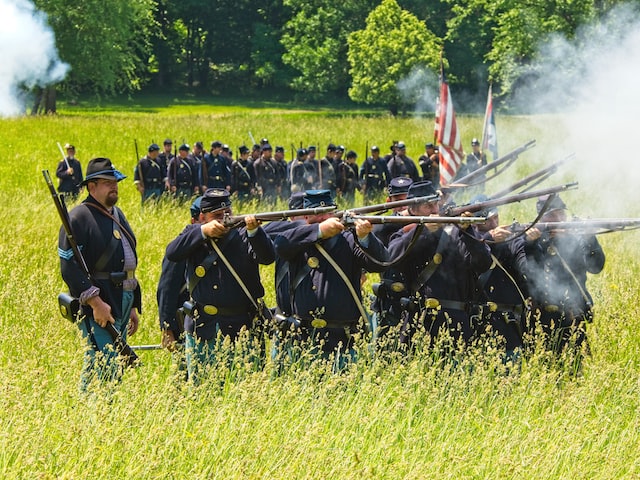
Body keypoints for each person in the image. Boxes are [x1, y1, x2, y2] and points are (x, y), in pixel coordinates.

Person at [165, 188, 275, 382]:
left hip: (243, 326)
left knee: (249, 389)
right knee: (202, 389)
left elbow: (267, 257)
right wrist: (202, 232)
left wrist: (255, 232)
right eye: (217, 216)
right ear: (203, 217)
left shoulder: (244, 233)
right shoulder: (194, 234)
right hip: (204, 326)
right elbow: (172, 252)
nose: (224, 219)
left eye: (227, 214)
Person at [273, 190, 389, 368]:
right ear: (305, 216)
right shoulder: (298, 240)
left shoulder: (349, 239)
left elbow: (381, 263)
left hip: (343, 336)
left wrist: (366, 236)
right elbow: (281, 245)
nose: (323, 218)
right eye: (316, 214)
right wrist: (319, 231)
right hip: (305, 336)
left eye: (327, 213)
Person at [58, 157, 141, 391]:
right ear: (91, 187)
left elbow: (127, 264)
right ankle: (91, 415)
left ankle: (109, 413)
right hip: (100, 302)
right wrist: (95, 303)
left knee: (115, 365)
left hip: (122, 298)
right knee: (101, 362)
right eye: (107, 182)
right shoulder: (78, 217)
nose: (114, 186)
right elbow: (69, 266)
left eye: (115, 181)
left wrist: (133, 304)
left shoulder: (118, 213)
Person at [388, 180, 492, 349]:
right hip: (420, 322)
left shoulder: (457, 232)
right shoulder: (408, 233)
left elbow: (482, 263)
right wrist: (422, 231)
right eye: (428, 206)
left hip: (457, 325)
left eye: (435, 204)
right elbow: (392, 258)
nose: (434, 210)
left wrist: (468, 230)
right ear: (413, 210)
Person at [524, 195, 605, 356]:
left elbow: (596, 267)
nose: (559, 219)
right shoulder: (534, 240)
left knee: (574, 370)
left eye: (561, 214)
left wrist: (590, 238)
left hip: (572, 314)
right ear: (541, 218)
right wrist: (531, 242)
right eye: (552, 216)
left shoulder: (576, 239)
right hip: (539, 316)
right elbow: (527, 269)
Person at [472, 195, 530, 360]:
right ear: (476, 222)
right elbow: (474, 260)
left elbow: (525, 267)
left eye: (495, 217)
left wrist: (532, 244)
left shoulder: (512, 240)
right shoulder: (470, 241)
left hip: (509, 323)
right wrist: (488, 239)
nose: (494, 223)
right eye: (487, 220)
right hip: (477, 321)